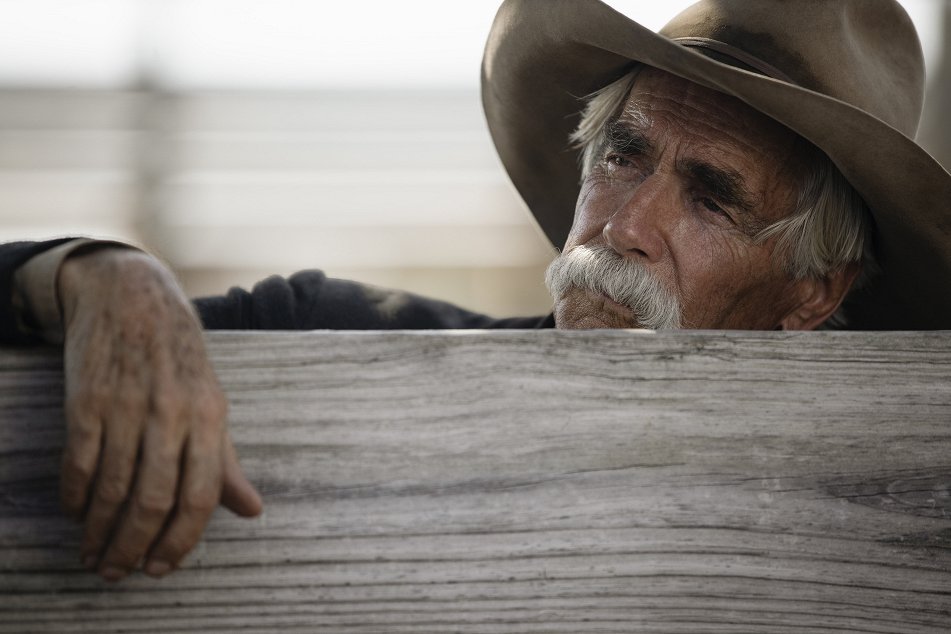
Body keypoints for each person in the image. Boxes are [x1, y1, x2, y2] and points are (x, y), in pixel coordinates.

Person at [1, 0, 948, 581]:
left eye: (709, 198)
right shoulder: (327, 333)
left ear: (811, 294)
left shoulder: (876, 533)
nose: (620, 227)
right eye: (621, 157)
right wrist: (96, 276)